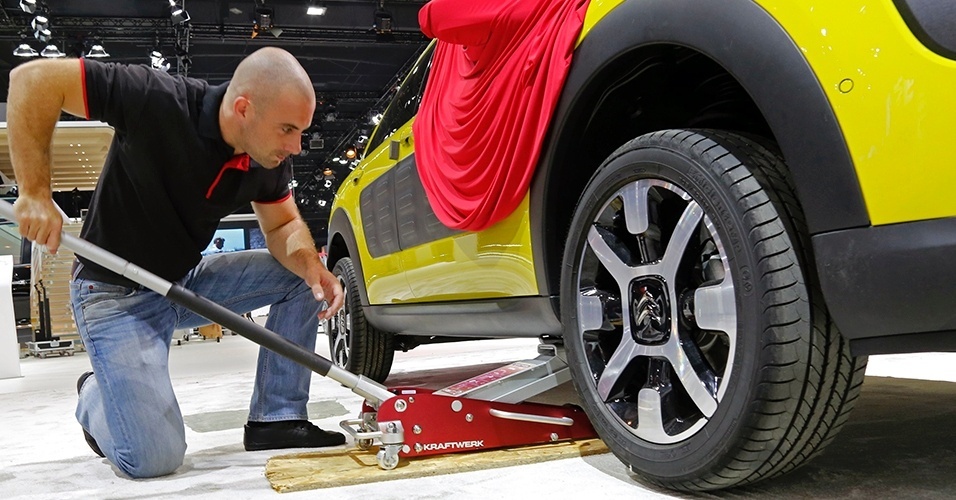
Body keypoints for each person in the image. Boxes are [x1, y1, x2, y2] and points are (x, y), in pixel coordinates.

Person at [7, 47, 345, 479]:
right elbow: (34, 80)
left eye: (301, 131)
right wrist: (35, 193)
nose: (295, 145)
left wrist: (311, 266)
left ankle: (277, 419)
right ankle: (96, 393)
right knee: (152, 459)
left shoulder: (266, 159)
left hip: (183, 284)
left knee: (302, 279)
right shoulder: (156, 99)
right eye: (287, 129)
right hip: (114, 296)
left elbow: (282, 228)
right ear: (243, 108)